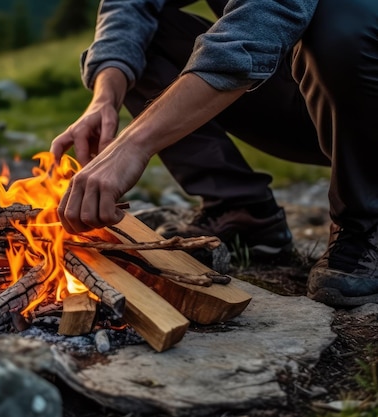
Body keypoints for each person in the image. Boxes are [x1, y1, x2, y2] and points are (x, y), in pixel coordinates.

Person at [50, 0, 378, 307]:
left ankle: (365, 221)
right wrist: (104, 98)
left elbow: (264, 16)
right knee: (144, 37)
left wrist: (133, 144)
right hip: (296, 86)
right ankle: (243, 213)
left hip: (360, 83)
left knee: (342, 23)